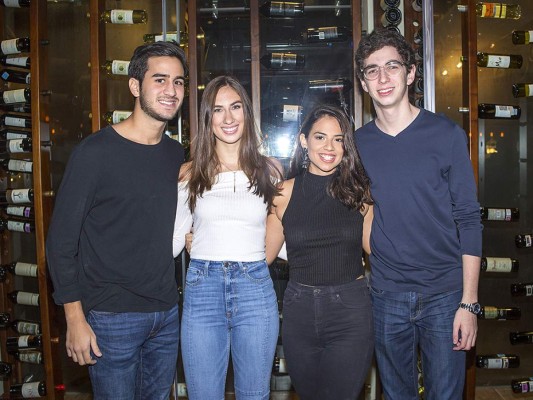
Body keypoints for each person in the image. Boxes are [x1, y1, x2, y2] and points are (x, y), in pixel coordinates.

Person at [46, 41, 187, 400]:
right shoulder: (94, 154)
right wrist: (75, 320)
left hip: (166, 314)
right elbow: (60, 244)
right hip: (111, 317)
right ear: (135, 86)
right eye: (160, 80)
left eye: (179, 82)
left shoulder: (176, 154)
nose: (171, 90)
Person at [354, 29, 483, 400]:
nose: (382, 78)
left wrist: (468, 302)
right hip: (386, 295)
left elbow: (469, 220)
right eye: (372, 70)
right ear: (363, 82)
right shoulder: (358, 146)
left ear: (410, 74)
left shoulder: (446, 136)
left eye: (392, 66)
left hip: (445, 296)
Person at [172, 75, 282, 400]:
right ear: (208, 118)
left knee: (254, 395)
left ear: (247, 112)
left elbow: (283, 226)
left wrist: (261, 261)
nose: (229, 118)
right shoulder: (189, 174)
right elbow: (173, 239)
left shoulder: (270, 170)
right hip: (202, 289)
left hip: (255, 289)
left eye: (235, 107)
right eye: (218, 110)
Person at [265, 104, 374, 400]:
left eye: (338, 139)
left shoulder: (360, 194)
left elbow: (379, 250)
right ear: (304, 140)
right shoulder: (283, 193)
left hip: (350, 312)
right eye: (320, 137)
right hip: (299, 311)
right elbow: (261, 255)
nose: (329, 147)